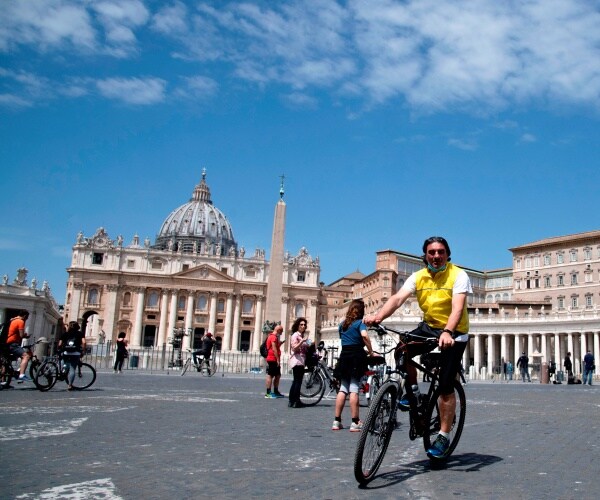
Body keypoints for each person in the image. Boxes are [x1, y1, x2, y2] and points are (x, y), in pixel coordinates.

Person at [364, 236, 471, 458]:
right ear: (425, 256)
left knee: (445, 386)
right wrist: (378, 316)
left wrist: (448, 332)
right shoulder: (418, 277)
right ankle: (413, 393)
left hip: (455, 332)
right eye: (431, 252)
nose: (436, 256)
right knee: (401, 350)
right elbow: (397, 298)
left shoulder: (459, 275)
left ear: (447, 255)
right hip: (430, 327)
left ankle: (443, 435)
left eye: (440, 252)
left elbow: (457, 309)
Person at [333, 299, 374, 432]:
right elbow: (365, 337)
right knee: (354, 388)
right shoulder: (359, 324)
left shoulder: (342, 325)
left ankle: (336, 421)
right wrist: (371, 351)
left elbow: (344, 340)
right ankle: (355, 421)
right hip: (356, 357)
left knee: (343, 388)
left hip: (344, 356)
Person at [4, 310, 32, 383]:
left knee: (7, 361)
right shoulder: (20, 322)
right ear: (25, 315)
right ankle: (22, 375)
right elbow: (21, 335)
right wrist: (26, 335)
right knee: (26, 356)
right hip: (13, 343)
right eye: (27, 317)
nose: (27, 319)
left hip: (6, 343)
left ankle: (3, 381)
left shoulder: (13, 320)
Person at [58, 321, 86, 391]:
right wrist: (83, 350)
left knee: (63, 362)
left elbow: (60, 344)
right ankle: (70, 385)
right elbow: (84, 342)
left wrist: (59, 349)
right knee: (72, 369)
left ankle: (61, 372)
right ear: (77, 327)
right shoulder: (80, 334)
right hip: (76, 353)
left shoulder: (65, 334)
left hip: (66, 352)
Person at [288, 317, 309, 408]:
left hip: (301, 360)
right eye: (301, 324)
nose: (303, 326)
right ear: (297, 326)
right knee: (298, 381)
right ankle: (296, 401)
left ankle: (292, 400)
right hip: (297, 361)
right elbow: (294, 348)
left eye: (304, 325)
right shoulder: (295, 335)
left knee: (296, 381)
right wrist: (302, 342)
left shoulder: (300, 336)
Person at [264, 322, 285, 398]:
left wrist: (280, 343)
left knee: (278, 375)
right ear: (278, 330)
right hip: (273, 358)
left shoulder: (273, 337)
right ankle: (268, 393)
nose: (281, 333)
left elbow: (275, 346)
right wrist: (278, 359)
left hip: (273, 358)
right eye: (281, 331)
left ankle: (276, 391)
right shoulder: (273, 337)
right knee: (270, 375)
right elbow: (274, 348)